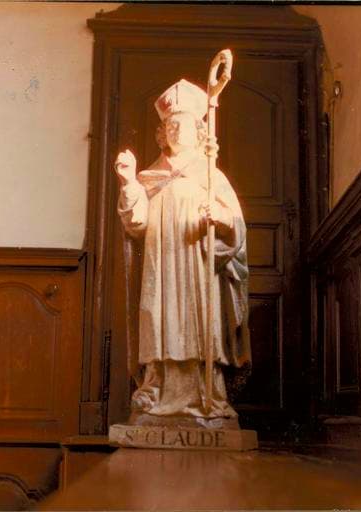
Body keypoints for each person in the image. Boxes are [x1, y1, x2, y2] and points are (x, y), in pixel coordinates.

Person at [114, 79, 251, 422]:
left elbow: (235, 225)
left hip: (196, 262)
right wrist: (129, 182)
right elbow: (136, 224)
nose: (175, 130)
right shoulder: (150, 178)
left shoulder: (210, 175)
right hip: (160, 266)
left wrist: (220, 216)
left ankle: (207, 395)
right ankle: (156, 389)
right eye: (169, 125)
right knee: (158, 318)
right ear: (161, 133)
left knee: (199, 323)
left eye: (182, 124)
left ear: (198, 131)